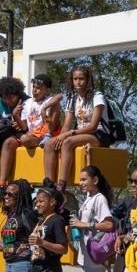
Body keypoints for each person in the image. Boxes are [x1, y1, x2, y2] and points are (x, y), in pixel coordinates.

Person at [45, 65, 115, 196]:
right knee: (49, 144)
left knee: (68, 142)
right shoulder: (72, 98)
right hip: (80, 133)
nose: (78, 82)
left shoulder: (97, 96)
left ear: (88, 80)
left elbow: (93, 126)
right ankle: (49, 184)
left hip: (99, 134)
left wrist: (68, 134)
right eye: (75, 79)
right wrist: (59, 138)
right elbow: (67, 124)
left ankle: (61, 184)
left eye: (81, 78)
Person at [0, 75, 57, 192]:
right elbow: (23, 126)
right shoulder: (27, 103)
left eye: (39, 88)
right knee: (8, 142)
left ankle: (49, 183)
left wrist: (45, 108)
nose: (35, 90)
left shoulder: (50, 101)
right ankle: (1, 183)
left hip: (45, 135)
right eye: (33, 87)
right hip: (31, 135)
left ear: (47, 90)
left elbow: (59, 97)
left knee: (25, 139)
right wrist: (15, 115)